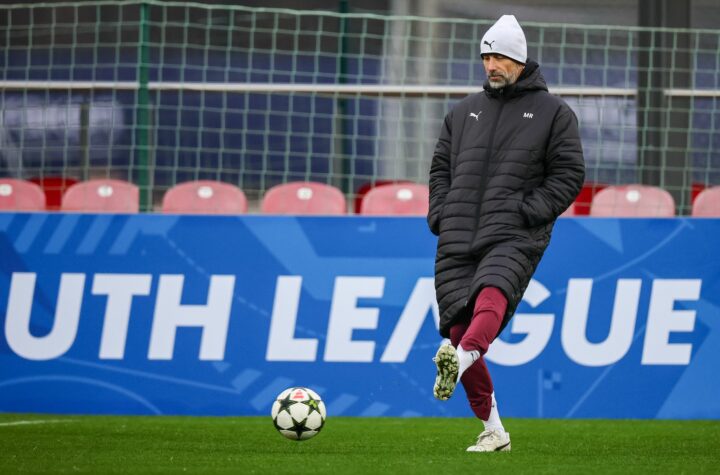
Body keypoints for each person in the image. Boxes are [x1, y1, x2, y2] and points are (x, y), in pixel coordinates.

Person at [427, 14, 585, 452]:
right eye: (486, 57)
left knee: (493, 290)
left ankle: (460, 359)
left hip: (515, 230)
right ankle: (494, 430)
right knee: (458, 325)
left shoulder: (554, 113)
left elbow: (569, 174)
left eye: (499, 57)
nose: (491, 65)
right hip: (458, 230)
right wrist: (441, 213)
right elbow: (440, 169)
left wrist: (528, 211)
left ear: (519, 60)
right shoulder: (463, 112)